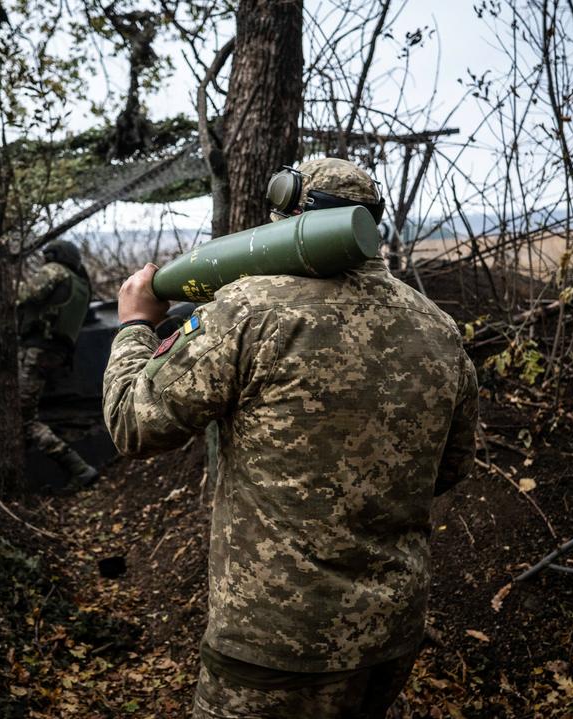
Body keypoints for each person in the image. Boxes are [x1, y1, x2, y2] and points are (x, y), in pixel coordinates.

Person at [102, 157, 478, 718]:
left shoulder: (252, 309)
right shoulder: (437, 327)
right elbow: (450, 468)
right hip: (388, 634)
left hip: (274, 639)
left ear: (287, 221)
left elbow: (133, 422)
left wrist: (135, 324)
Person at [17, 239, 98, 488]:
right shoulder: (81, 284)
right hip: (55, 353)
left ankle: (79, 468)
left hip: (36, 349)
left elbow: (23, 295)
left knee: (24, 419)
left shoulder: (56, 272)